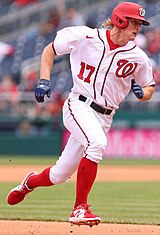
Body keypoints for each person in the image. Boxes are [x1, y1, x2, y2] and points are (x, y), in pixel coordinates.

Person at [7, 2, 155, 227]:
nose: (138, 28)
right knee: (96, 144)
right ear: (120, 20)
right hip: (79, 105)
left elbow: (149, 88)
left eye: (140, 24)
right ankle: (79, 208)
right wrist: (44, 81)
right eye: (134, 22)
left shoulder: (138, 57)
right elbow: (50, 50)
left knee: (59, 175)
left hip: (105, 116)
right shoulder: (85, 37)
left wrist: (142, 93)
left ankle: (29, 183)